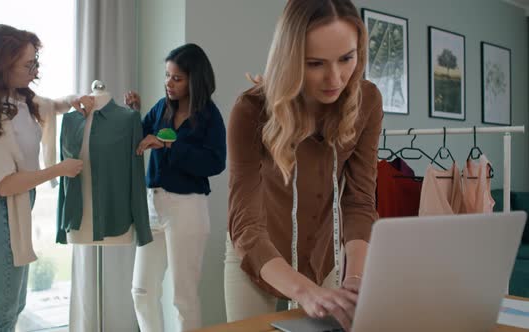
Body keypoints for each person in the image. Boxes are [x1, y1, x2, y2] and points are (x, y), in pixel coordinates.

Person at [225, 0, 383, 331]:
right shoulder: (250, 111)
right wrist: (303, 291)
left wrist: (354, 278)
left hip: (327, 252)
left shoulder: (367, 101)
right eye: (315, 64)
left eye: (346, 58)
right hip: (260, 252)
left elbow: (359, 201)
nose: (335, 78)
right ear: (290, 59)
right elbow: (246, 226)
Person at [0, 24, 85, 331]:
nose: (34, 70)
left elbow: (51, 106)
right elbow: (5, 184)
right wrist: (59, 169)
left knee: (15, 307)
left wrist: (76, 100)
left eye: (35, 62)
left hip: (14, 213)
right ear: (2, 65)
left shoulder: (20, 99)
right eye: (28, 64)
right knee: (1, 314)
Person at [124, 43, 226, 332]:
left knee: (183, 298)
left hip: (186, 208)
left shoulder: (209, 116)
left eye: (177, 78)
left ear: (195, 80)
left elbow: (216, 162)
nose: (169, 83)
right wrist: (134, 112)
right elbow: (138, 140)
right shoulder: (160, 109)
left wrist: (170, 144)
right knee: (141, 292)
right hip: (152, 205)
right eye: (167, 75)